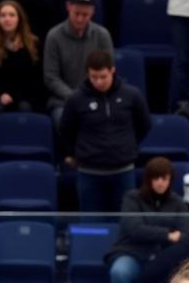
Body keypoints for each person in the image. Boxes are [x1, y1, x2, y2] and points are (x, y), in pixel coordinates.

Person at [59, 49, 151, 213]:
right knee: (92, 228)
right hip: (88, 173)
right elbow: (66, 130)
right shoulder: (75, 100)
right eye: (94, 77)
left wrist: (127, 144)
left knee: (125, 225)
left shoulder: (132, 95)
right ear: (87, 73)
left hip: (123, 172)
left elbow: (144, 125)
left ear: (112, 71)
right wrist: (75, 153)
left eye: (103, 77)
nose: (99, 82)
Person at [105, 156, 189, 283]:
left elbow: (186, 235)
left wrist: (149, 231)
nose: (160, 183)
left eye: (164, 178)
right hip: (133, 253)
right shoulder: (132, 198)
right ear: (148, 179)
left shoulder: (177, 202)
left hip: (165, 258)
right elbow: (134, 230)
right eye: (156, 178)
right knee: (119, 272)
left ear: (170, 180)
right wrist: (168, 235)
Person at [44, 0, 113, 130]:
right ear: (68, 7)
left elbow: (109, 70)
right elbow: (51, 77)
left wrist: (93, 94)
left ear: (93, 11)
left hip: (97, 97)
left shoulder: (102, 35)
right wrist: (75, 97)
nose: (80, 18)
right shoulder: (54, 36)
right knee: (65, 120)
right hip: (63, 101)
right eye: (76, 13)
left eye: (85, 14)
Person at [0, 0, 44, 117]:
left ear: (19, 18)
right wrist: (0, 94)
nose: (7, 19)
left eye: (12, 15)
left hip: (24, 95)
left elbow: (36, 78)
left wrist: (15, 96)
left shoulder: (33, 43)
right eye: (3, 15)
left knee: (25, 109)